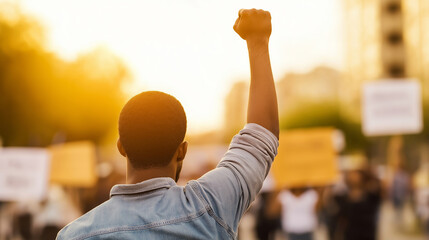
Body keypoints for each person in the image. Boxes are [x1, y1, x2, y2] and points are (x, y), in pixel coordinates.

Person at [56, 8, 279, 240]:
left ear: (121, 147)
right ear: (182, 151)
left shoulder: (75, 235)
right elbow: (262, 136)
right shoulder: (210, 206)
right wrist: (258, 40)